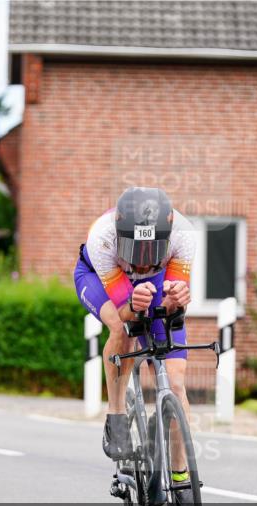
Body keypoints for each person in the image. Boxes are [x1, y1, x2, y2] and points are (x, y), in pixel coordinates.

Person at [73, 187, 195, 480]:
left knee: (177, 385)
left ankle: (181, 475)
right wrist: (132, 304)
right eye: (134, 250)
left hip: (155, 281)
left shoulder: (183, 235)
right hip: (99, 277)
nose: (141, 261)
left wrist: (176, 296)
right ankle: (116, 415)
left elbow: (170, 306)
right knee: (122, 328)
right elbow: (127, 313)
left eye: (151, 250)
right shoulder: (102, 237)